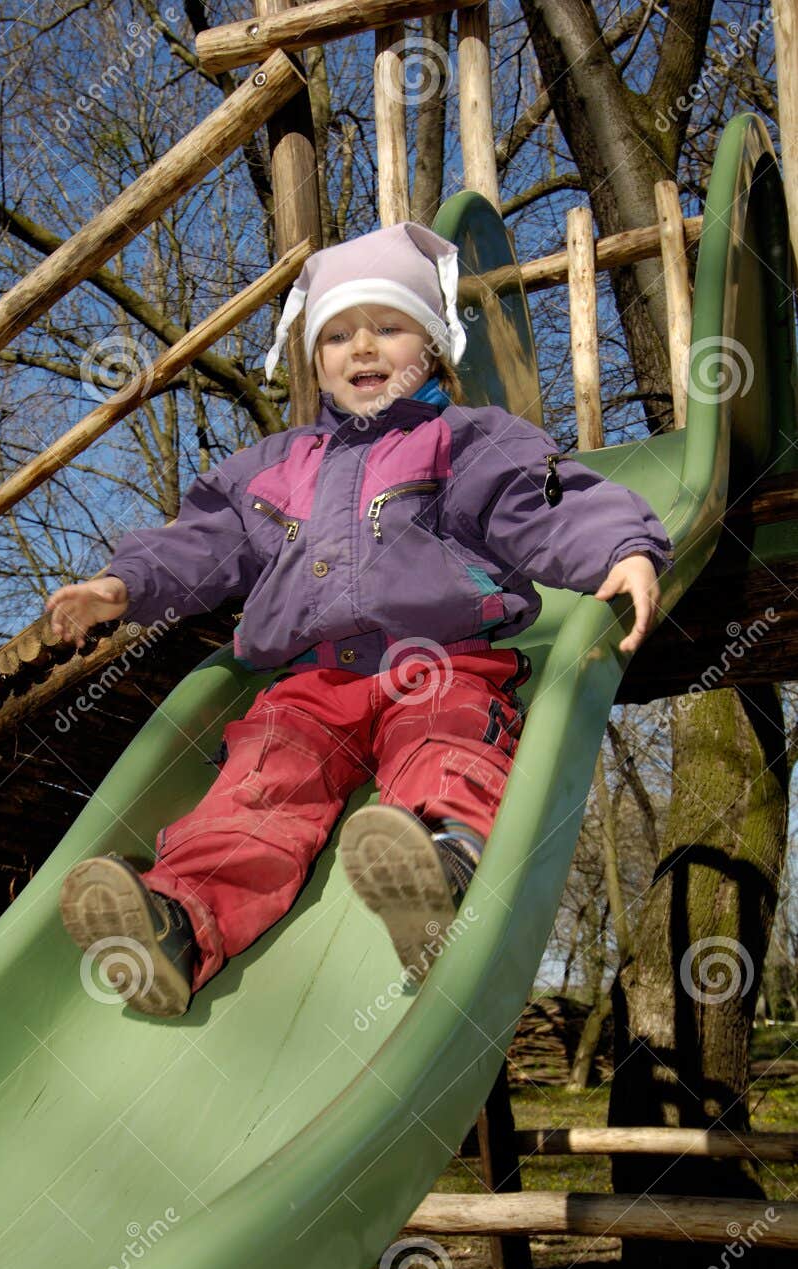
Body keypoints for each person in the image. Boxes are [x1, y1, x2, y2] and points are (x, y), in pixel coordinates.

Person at [46, 222, 672, 1018]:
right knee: (257, 788)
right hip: (310, 684)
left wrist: (615, 546)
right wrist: (122, 587)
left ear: (433, 345)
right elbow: (202, 544)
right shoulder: (273, 468)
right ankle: (178, 923)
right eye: (337, 334)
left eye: (388, 326)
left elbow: (540, 503)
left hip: (439, 660)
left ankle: (439, 868)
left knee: (444, 742)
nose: (362, 347)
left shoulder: (464, 441)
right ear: (314, 360)